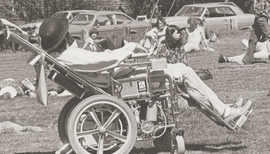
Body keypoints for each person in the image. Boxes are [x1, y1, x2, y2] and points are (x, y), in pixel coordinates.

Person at [39, 18, 252, 124]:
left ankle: (222, 109)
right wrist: (129, 47)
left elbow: (101, 61)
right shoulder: (72, 56)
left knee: (181, 74)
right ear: (66, 37)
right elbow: (105, 60)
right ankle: (224, 112)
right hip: (120, 81)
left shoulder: (67, 57)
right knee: (183, 72)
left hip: (116, 77)